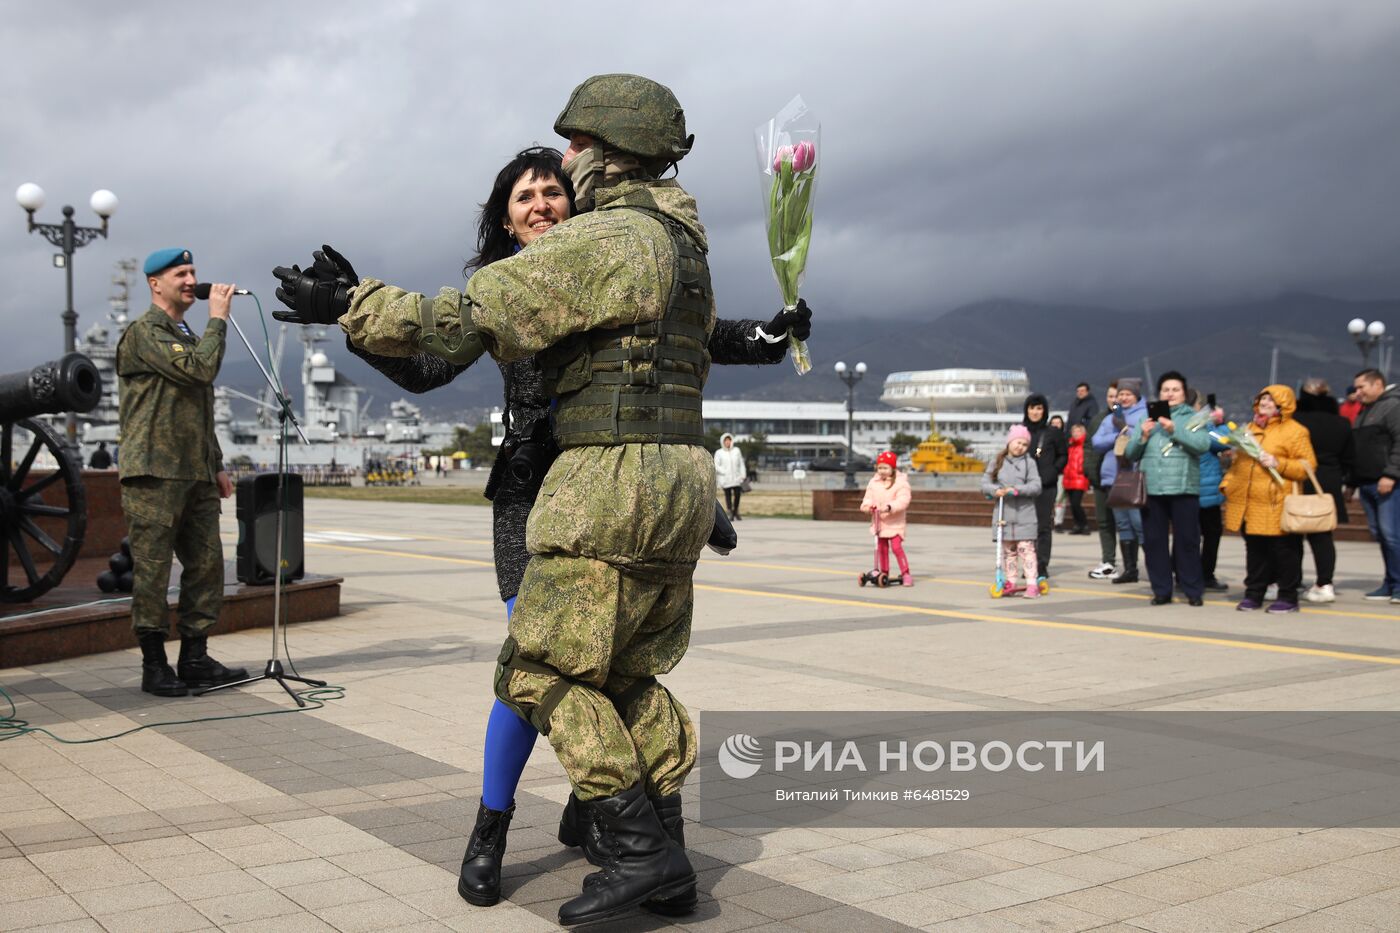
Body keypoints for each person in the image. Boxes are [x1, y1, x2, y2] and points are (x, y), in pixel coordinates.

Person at [274, 75, 803, 925]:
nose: (563, 166)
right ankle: (664, 852)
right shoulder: (682, 245)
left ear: (608, 153)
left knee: (536, 667)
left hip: (604, 486)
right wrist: (767, 334)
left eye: (575, 151)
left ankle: (630, 850)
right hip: (673, 481)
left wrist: (350, 302)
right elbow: (689, 343)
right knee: (626, 671)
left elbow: (457, 320)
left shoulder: (599, 243)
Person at [117, 248, 246, 697]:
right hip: (154, 471)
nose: (192, 279)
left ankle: (194, 658)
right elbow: (199, 372)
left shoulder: (184, 333)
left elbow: (198, 412)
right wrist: (218, 319)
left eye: (193, 271)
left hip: (196, 472)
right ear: (155, 283)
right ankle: (155, 666)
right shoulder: (146, 332)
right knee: (152, 570)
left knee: (207, 566)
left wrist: (218, 466)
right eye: (181, 273)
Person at [1220, 385, 1317, 613]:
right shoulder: (1250, 429)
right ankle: (1254, 593)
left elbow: (1307, 466)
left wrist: (1278, 463)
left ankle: (1288, 595)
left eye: (1271, 401)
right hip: (1250, 503)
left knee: (1285, 552)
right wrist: (1227, 485)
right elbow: (1239, 465)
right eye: (1262, 400)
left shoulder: (1295, 431)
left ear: (1284, 405)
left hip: (1279, 502)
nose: (1264, 404)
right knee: (1255, 551)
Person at [1122, 372, 1209, 606]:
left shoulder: (1194, 417)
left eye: (1175, 389)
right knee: (1154, 541)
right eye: (1165, 390)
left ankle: (1193, 589)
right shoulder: (1145, 418)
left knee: (1187, 541)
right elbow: (1130, 454)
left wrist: (1174, 430)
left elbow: (1202, 445)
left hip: (1183, 488)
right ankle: (1161, 589)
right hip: (1152, 489)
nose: (1169, 394)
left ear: (1184, 393)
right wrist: (1143, 436)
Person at [1292, 378, 1354, 603]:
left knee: (1292, 534)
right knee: (1323, 537)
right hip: (1328, 483)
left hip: (1297, 480)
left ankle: (1291, 579)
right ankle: (1324, 583)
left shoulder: (1295, 421)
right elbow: (1349, 458)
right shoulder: (1341, 423)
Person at [1348, 368, 1400, 602]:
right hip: (1367, 483)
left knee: (1392, 535)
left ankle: (1398, 584)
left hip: (1387, 484)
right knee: (1380, 534)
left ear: (1378, 384)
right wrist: (1351, 482)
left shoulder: (1392, 406)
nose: (1357, 392)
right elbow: (1358, 450)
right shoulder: (1365, 411)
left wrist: (1390, 474)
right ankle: (1390, 582)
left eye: (1362, 387)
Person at [1092, 378, 1147, 584]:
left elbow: (1144, 438)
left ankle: (1155, 566)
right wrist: (1116, 436)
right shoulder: (1110, 418)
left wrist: (1126, 431)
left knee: (1138, 523)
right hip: (1112, 478)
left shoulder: (1144, 414)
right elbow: (1096, 442)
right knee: (1122, 524)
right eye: (1120, 394)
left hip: (1133, 475)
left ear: (1136, 395)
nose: (1123, 398)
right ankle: (1130, 570)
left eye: (1127, 394)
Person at [982, 425, 1043, 598]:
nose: (1020, 447)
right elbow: (985, 483)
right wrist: (995, 490)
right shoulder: (997, 461)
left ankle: (1032, 583)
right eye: (1018, 442)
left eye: (1024, 444)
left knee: (1026, 549)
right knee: (1009, 551)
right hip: (1004, 514)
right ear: (1009, 442)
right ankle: (1011, 581)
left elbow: (1036, 485)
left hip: (1025, 515)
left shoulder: (1029, 463)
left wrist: (1016, 489)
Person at [1022, 393, 1067, 580]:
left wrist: (1052, 472)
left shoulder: (1053, 433)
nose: (1035, 412)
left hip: (1045, 486)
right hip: (1023, 487)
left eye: (1039, 408)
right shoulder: (1020, 431)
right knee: (1025, 527)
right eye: (1032, 408)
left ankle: (1041, 564)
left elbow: (1063, 455)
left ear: (1045, 411)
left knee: (1043, 527)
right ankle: (1027, 563)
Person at [1189, 389, 1230, 591]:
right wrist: (1220, 422)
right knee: (1211, 534)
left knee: (1188, 535)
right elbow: (1223, 442)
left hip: (1190, 489)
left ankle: (1184, 572)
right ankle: (1206, 574)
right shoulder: (1202, 425)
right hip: (1206, 491)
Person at [860, 451, 914, 586]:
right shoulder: (874, 482)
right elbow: (867, 498)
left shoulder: (901, 483)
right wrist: (867, 507)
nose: (882, 471)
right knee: (881, 548)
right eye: (880, 468)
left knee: (896, 547)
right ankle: (884, 572)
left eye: (885, 468)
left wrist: (889, 507)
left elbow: (903, 500)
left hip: (895, 523)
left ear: (893, 468)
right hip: (880, 522)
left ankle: (906, 573)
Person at [1085, 380, 1119, 578]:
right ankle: (1108, 560)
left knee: (1126, 524)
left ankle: (1131, 564)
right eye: (1110, 396)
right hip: (1100, 479)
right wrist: (1090, 471)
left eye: (1116, 395)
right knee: (1105, 522)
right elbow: (1088, 447)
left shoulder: (1131, 418)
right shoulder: (1099, 419)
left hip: (1123, 480)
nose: (1113, 400)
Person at [1061, 423, 1090, 534]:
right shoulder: (1070, 445)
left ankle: (1084, 524)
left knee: (1076, 503)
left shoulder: (1085, 445)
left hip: (1080, 478)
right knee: (1072, 504)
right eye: (1074, 431)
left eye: (1078, 431)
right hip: (1069, 477)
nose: (1076, 434)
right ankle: (1078, 525)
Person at [714, 433, 746, 520]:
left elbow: (741, 463)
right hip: (725, 478)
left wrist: (743, 474)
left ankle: (736, 511)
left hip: (736, 478)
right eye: (726, 441)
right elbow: (716, 465)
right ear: (723, 442)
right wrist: (724, 471)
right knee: (728, 496)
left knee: (737, 495)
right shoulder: (719, 452)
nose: (728, 442)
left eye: (729, 440)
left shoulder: (737, 450)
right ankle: (730, 512)